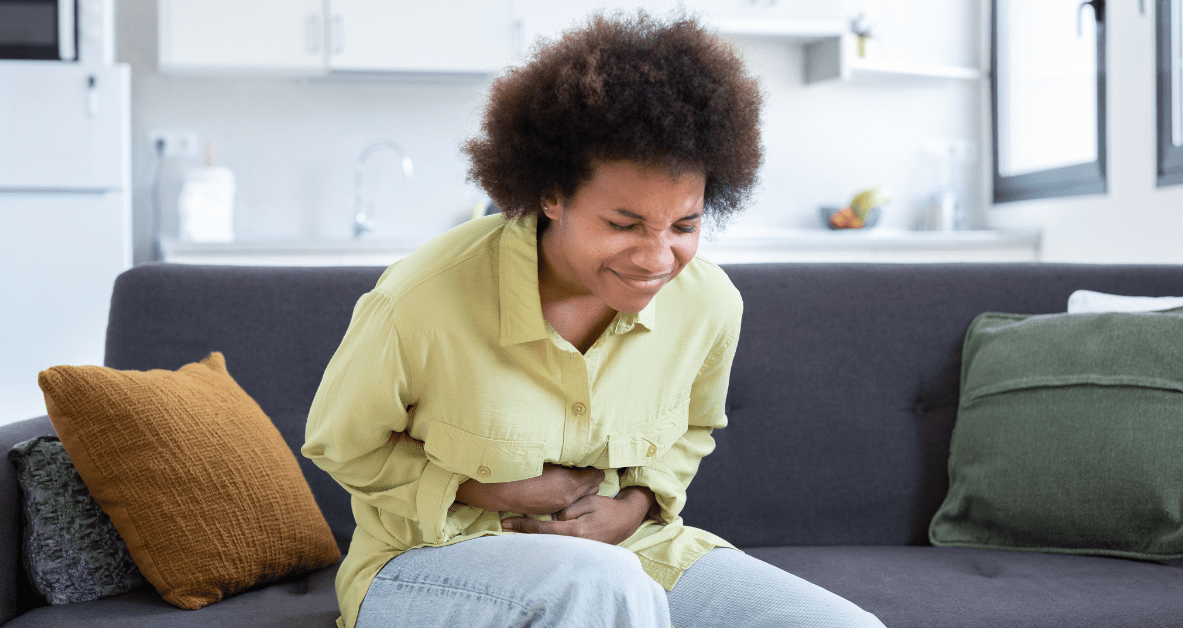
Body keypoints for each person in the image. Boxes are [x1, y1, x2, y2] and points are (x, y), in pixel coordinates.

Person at [303, 11, 885, 628]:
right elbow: (344, 447)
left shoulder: (709, 305)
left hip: (628, 551)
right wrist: (485, 490)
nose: (658, 257)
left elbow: (692, 430)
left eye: (684, 225)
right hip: (429, 559)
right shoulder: (420, 302)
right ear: (553, 195)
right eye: (624, 224)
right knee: (603, 591)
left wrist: (634, 504)